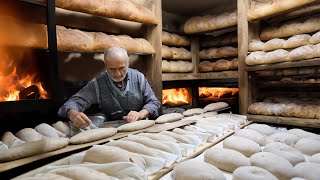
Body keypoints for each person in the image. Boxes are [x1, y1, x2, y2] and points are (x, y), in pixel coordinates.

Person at [58, 47, 161, 128]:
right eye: (112, 69)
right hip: (113, 131)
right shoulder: (98, 84)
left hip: (141, 127)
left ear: (127, 64)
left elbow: (154, 102)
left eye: (121, 68)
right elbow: (73, 102)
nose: (117, 74)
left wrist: (140, 114)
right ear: (106, 66)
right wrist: (72, 113)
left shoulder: (139, 78)